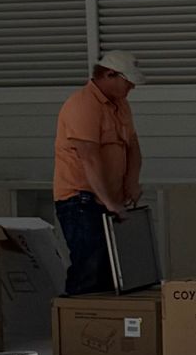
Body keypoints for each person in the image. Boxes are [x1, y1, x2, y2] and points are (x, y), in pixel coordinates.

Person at [53, 50, 144, 296]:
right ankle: (78, 315)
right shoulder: (82, 105)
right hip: (81, 201)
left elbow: (133, 148)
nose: (132, 87)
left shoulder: (121, 105)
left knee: (110, 272)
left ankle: (103, 315)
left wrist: (131, 182)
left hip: (109, 200)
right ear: (109, 75)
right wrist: (110, 202)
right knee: (89, 268)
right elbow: (89, 158)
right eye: (128, 81)